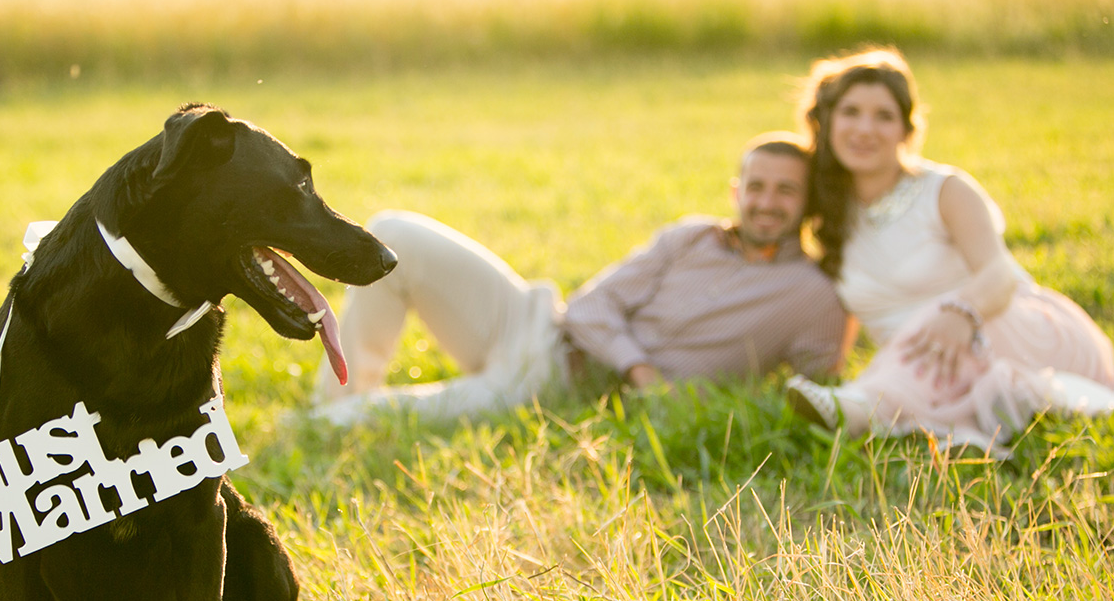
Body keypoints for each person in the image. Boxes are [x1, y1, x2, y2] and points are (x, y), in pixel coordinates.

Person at [311, 132, 848, 425]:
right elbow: (591, 307)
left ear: (807, 202)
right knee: (394, 233)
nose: (767, 203)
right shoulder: (691, 236)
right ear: (737, 191)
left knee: (380, 418)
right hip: (535, 321)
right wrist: (641, 369)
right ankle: (343, 394)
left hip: (556, 384)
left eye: (785, 191)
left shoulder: (812, 297)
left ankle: (332, 421)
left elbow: (814, 389)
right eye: (757, 187)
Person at [785, 47, 1114, 452]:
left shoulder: (945, 190)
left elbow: (1000, 275)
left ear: (907, 130)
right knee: (926, 344)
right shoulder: (828, 213)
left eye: (883, 116)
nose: (864, 128)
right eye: (851, 112)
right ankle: (938, 424)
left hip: (1004, 326)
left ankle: (863, 408)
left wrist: (960, 312)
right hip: (928, 360)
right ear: (827, 121)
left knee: (936, 322)